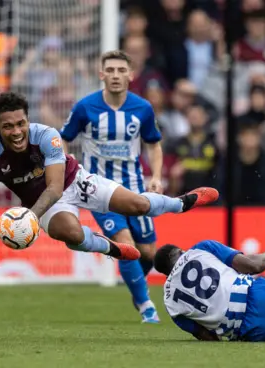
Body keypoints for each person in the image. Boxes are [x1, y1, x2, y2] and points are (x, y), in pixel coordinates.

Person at [0, 92, 219, 282]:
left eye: (20, 123)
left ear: (28, 120)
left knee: (138, 204)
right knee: (71, 233)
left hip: (73, 181)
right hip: (41, 205)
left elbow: (55, 188)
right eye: (8, 126)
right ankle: (111, 248)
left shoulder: (45, 135)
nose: (16, 131)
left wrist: (29, 217)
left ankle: (180, 203)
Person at [60, 50, 164, 323]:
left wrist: (156, 176)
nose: (116, 76)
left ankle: (135, 286)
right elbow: (63, 139)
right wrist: (66, 163)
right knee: (125, 244)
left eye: (121, 70)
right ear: (101, 74)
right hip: (98, 190)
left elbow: (153, 143)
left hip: (134, 187)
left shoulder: (142, 108)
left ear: (131, 75)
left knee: (149, 254)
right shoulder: (85, 107)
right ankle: (146, 306)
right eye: (111, 70)